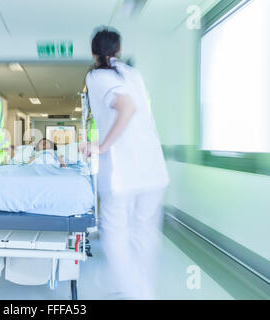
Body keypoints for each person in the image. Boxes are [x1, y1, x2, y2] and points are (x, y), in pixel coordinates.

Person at [82, 28, 169, 299]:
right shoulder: (134, 74)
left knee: (115, 235)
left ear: (94, 52)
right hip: (153, 169)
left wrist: (103, 145)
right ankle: (136, 286)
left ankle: (138, 293)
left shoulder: (97, 76)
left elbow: (126, 106)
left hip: (123, 173)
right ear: (118, 50)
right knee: (143, 232)